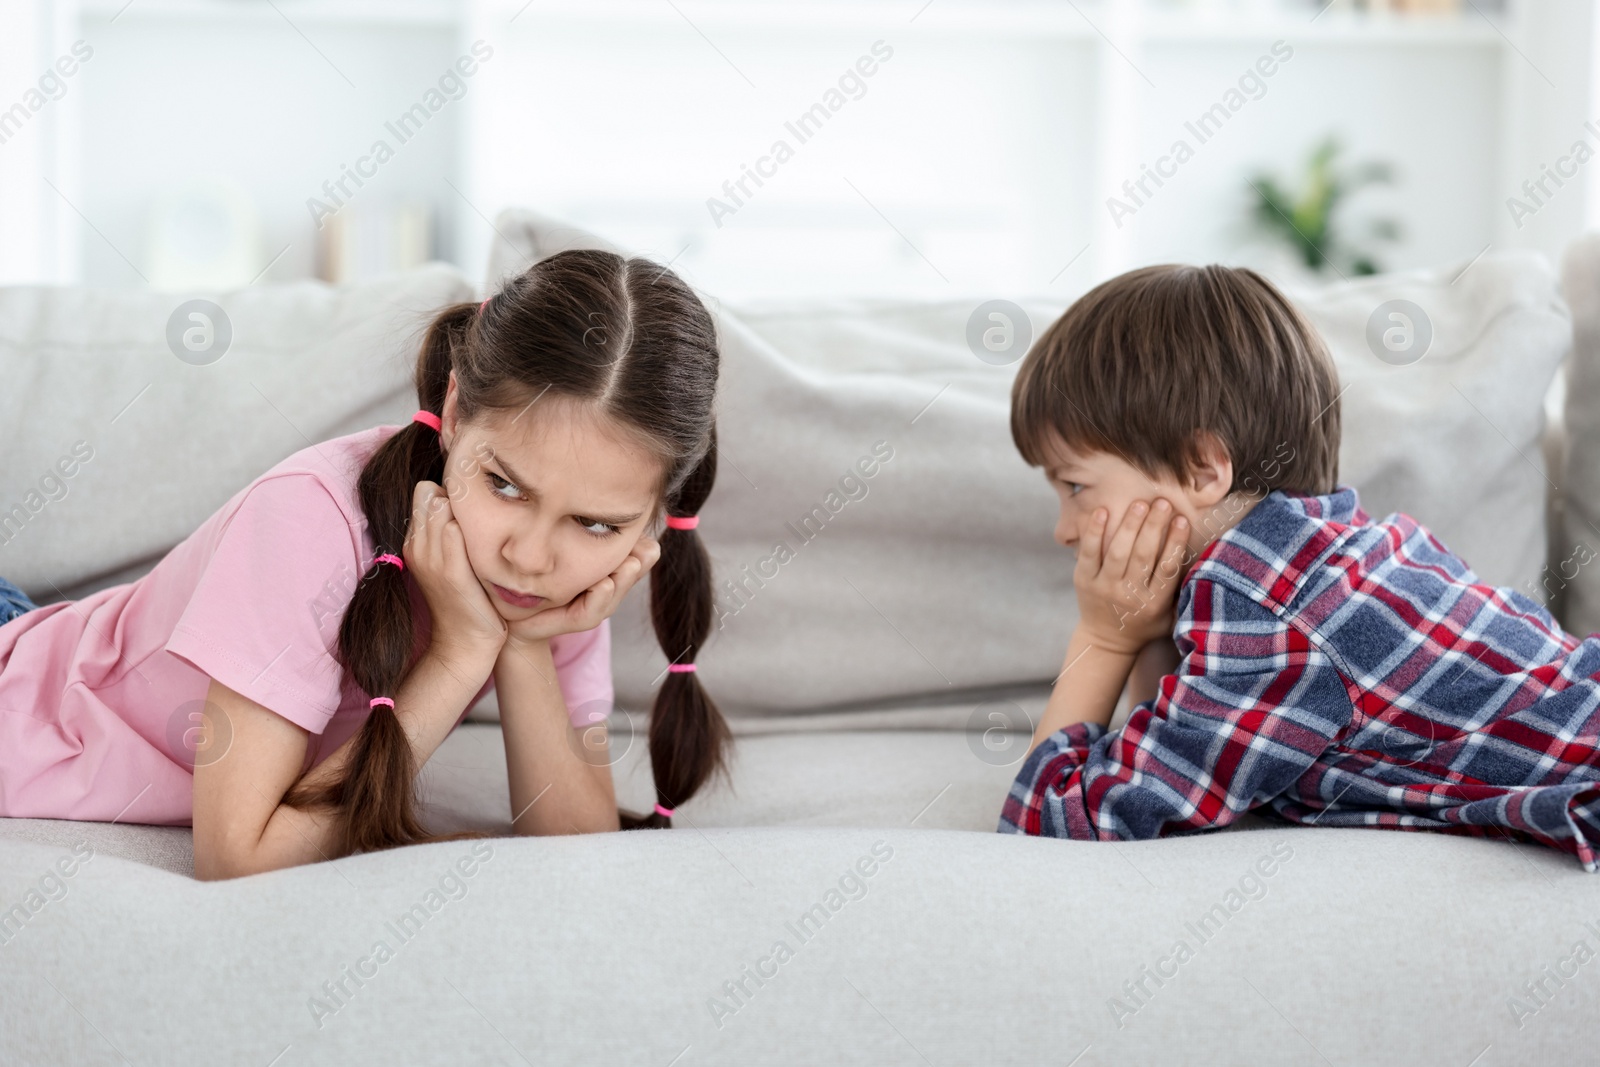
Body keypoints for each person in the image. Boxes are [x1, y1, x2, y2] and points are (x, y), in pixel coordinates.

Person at [0, 248, 730, 879]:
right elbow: (239, 860)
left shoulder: (555, 580)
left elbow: (573, 847)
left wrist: (525, 645)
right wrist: (458, 653)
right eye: (503, 484)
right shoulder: (308, 520)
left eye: (596, 523)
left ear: (652, 520)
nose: (530, 555)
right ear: (452, 409)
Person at [998, 262, 1600, 871]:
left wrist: (1103, 637)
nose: (1063, 530)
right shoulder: (1329, 552)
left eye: (1074, 486)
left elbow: (1056, 823)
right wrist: (1149, 628)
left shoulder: (1267, 620)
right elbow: (1170, 743)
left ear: (1205, 470)